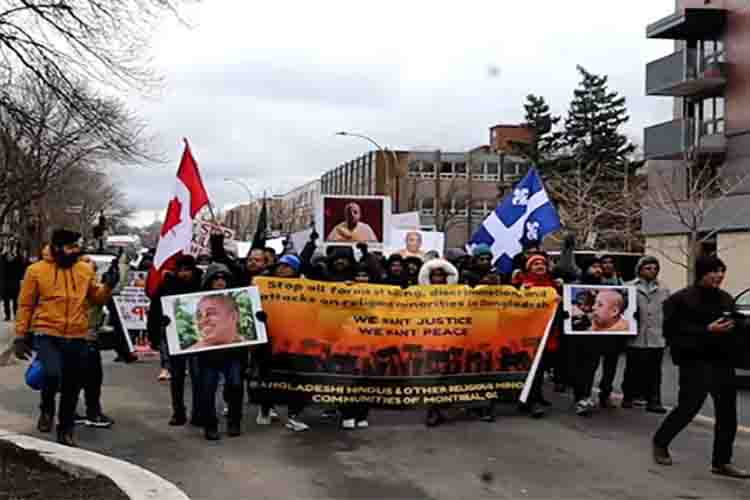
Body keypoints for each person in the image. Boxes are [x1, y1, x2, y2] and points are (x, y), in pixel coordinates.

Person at [13, 229, 118, 447]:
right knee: (52, 374)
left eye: (77, 247)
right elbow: (25, 305)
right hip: (47, 333)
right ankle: (47, 409)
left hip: (77, 334)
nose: (76, 251)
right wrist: (20, 335)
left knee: (72, 384)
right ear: (58, 247)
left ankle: (66, 428)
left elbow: (96, 298)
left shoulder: (84, 269)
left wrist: (108, 285)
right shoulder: (36, 271)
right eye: (71, 247)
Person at [652, 256, 750, 478]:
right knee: (688, 407)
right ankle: (661, 442)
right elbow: (673, 333)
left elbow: (736, 328)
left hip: (722, 361)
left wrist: (737, 325)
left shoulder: (726, 298)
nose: (719, 276)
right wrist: (707, 330)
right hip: (693, 361)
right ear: (702, 273)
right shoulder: (680, 300)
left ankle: (722, 462)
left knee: (727, 413)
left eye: (722, 271)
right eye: (714, 271)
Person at [146, 255, 204, 427]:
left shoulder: (201, 284)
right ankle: (178, 412)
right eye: (181, 270)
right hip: (174, 336)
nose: (184, 274)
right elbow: (155, 311)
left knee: (197, 376)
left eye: (188, 270)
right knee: (177, 377)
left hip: (199, 336)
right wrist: (154, 335)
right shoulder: (166, 285)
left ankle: (198, 413)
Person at [197, 263, 246, 440]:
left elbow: (243, 323)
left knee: (235, 386)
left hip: (232, 352)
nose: (220, 282)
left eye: (223, 278)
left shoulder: (236, 300)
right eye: (216, 278)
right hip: (209, 353)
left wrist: (259, 320)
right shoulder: (199, 300)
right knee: (207, 389)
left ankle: (234, 422)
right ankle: (210, 425)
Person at [516, 254, 562, 419]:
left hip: (548, 333)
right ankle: (530, 401)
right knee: (533, 369)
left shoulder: (552, 285)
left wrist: (560, 295)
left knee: (541, 368)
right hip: (532, 334)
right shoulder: (525, 285)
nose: (540, 266)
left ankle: (536, 396)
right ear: (529, 268)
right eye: (535, 264)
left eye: (542, 263)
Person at [622, 256, 669, 413]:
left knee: (654, 370)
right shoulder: (628, 287)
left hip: (656, 335)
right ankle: (628, 396)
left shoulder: (664, 289)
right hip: (636, 334)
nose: (652, 271)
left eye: (655, 268)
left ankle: (654, 400)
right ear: (640, 269)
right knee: (633, 368)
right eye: (648, 268)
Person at [417, 258, 459, 427]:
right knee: (432, 376)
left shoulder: (456, 294)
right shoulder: (419, 294)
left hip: (449, 340)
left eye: (441, 275)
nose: (438, 279)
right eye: (434, 275)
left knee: (447, 375)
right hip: (429, 341)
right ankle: (432, 410)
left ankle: (441, 408)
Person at [73, 256, 114, 429]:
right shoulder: (83, 288)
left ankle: (72, 411)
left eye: (94, 269)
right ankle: (92, 412)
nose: (92, 273)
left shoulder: (85, 286)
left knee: (76, 378)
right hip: (83, 338)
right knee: (90, 379)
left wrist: (109, 285)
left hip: (82, 337)